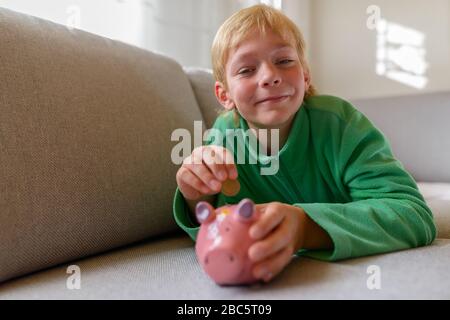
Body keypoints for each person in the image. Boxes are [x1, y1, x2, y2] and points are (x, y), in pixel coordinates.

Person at [173, 4, 436, 283]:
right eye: (247, 69)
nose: (269, 76)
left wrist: (305, 227)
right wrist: (197, 196)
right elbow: (220, 219)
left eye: (284, 61)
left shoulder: (340, 125)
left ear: (305, 76)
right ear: (224, 95)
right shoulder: (223, 138)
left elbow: (414, 215)